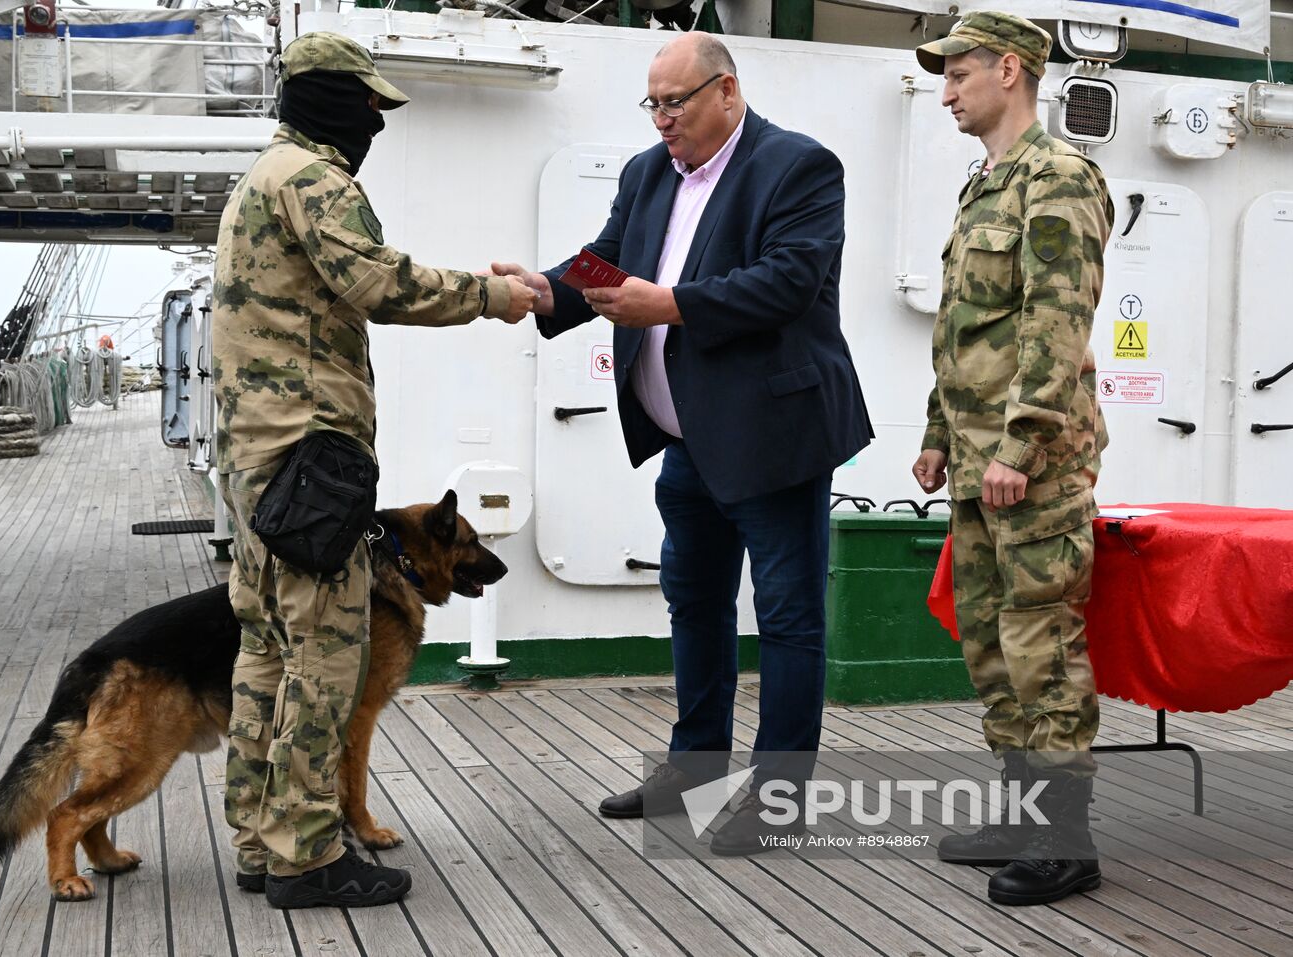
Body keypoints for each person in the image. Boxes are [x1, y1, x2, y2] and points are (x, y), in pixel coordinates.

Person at [493, 31, 872, 856]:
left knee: (786, 617)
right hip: (686, 438)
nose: (662, 119)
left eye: (676, 102)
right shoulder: (645, 172)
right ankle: (693, 773)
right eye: (653, 103)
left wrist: (667, 305)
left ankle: (780, 798)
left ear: (726, 92)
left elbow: (789, 279)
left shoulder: (800, 167)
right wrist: (541, 291)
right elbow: (605, 264)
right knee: (693, 602)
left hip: (774, 435)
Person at [212, 32, 535, 909]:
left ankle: (258, 835)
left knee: (264, 653)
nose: (376, 126)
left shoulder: (256, 181)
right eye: (369, 107)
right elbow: (381, 283)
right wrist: (495, 295)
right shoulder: (315, 180)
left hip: (254, 464)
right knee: (323, 655)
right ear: (331, 101)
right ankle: (311, 854)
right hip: (312, 461)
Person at [911, 12, 1113, 905]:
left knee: (1041, 644)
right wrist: (934, 433)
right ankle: (1020, 813)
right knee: (993, 644)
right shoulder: (982, 187)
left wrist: (1022, 443)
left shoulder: (1059, 178)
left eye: (958, 74)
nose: (946, 91)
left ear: (1009, 68)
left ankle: (1066, 840)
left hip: (1032, 465)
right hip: (974, 456)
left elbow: (1057, 322)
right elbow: (963, 327)